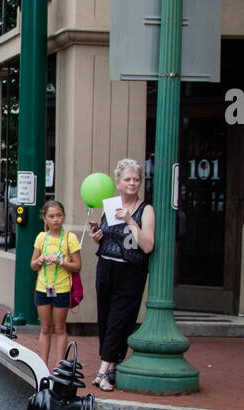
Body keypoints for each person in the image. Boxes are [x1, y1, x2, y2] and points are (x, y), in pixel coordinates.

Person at [88, 157, 155, 390]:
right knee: (106, 319)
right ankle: (112, 366)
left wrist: (129, 220)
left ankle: (102, 371)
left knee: (119, 320)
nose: (132, 183)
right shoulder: (110, 205)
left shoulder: (145, 210)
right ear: (118, 182)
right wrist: (97, 236)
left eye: (136, 179)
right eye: (127, 179)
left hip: (131, 271)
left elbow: (147, 245)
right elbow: (107, 237)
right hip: (106, 266)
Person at [30, 199, 80, 370]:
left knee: (60, 328)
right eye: (51, 216)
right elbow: (33, 264)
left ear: (64, 216)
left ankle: (60, 366)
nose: (56, 219)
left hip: (62, 288)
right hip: (43, 287)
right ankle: (42, 365)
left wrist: (61, 262)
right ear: (45, 219)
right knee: (45, 328)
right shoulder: (41, 238)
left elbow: (77, 266)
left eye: (59, 215)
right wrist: (40, 260)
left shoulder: (70, 238)